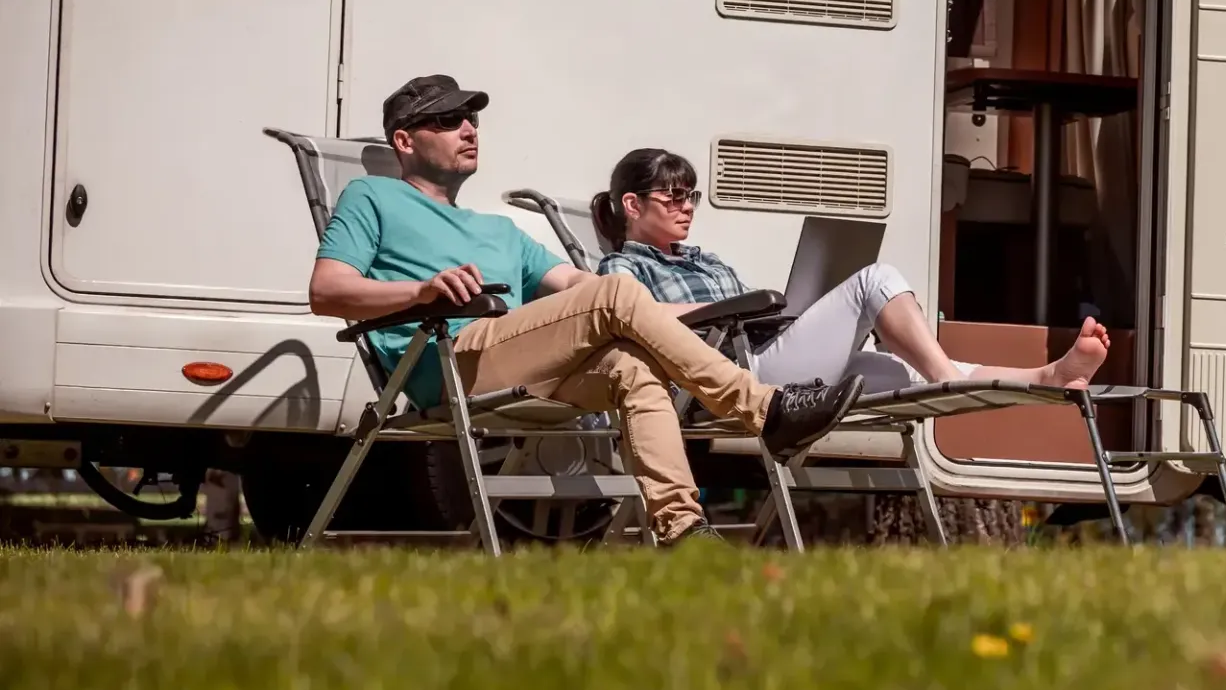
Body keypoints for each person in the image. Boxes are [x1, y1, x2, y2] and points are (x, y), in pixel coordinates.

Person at [307, 76, 863, 545]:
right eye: (449, 121)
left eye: (471, 118)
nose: (470, 129)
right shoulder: (372, 197)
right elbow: (327, 290)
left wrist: (717, 309)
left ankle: (682, 530)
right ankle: (766, 411)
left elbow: (584, 285)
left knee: (631, 367)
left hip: (515, 361)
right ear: (404, 140)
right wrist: (421, 292)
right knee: (613, 292)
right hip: (445, 358)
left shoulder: (498, 231)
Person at [590, 149, 1111, 393]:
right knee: (875, 279)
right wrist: (731, 310)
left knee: (914, 370)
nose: (688, 206)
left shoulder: (705, 258)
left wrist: (780, 308)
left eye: (692, 195)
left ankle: (1046, 377)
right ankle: (949, 379)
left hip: (766, 351)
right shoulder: (621, 267)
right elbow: (641, 318)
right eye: (675, 196)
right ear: (633, 205)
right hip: (734, 377)